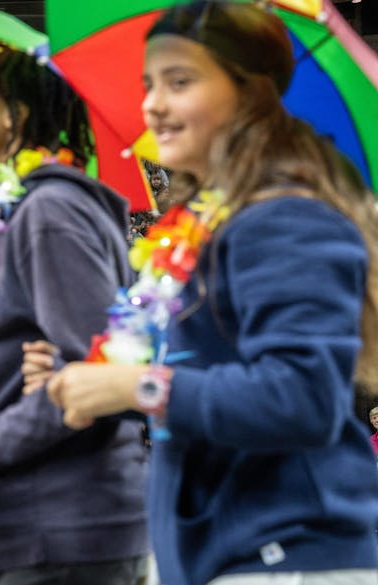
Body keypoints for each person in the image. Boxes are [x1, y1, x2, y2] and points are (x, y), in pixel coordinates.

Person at [30, 3, 378, 584]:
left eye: (179, 81)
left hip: (287, 560)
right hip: (225, 558)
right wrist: (85, 378)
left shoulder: (289, 217)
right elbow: (201, 376)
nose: (152, 105)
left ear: (249, 95)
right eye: (148, 85)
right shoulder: (211, 227)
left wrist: (135, 385)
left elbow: (302, 399)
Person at [0, 44, 148, 585]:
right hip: (39, 530)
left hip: (58, 530)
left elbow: (92, 377)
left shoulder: (49, 211)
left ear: (14, 114)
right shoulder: (36, 209)